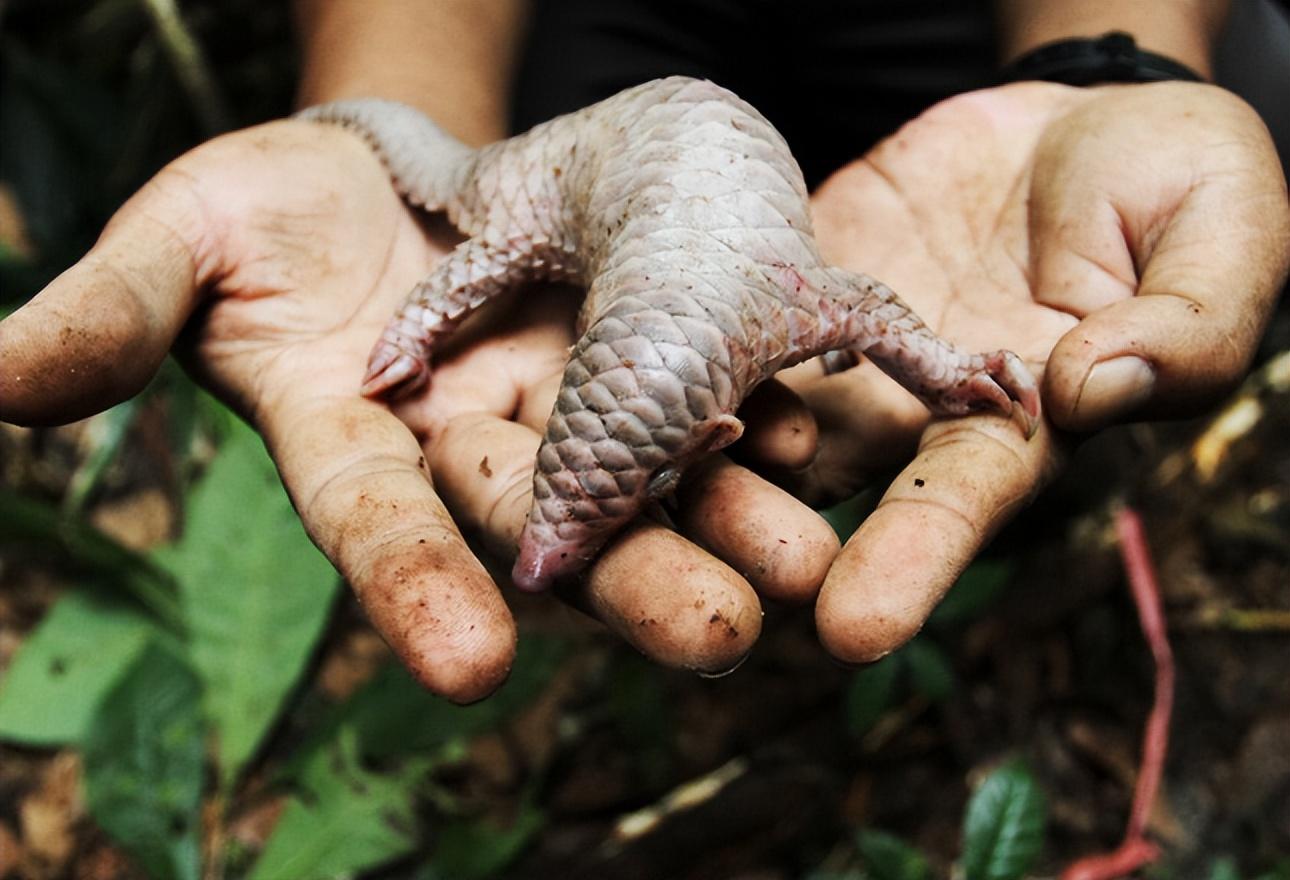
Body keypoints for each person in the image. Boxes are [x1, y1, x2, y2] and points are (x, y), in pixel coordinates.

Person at [0, 0, 1285, 703]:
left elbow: (892, 326)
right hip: (588, 137)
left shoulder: (787, 302)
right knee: (491, 227)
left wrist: (1106, 63)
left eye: (588, 501)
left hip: (910, 54)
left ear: (716, 432)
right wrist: (420, 309)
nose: (550, 542)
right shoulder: (790, 300)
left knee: (1263, 70)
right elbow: (884, 323)